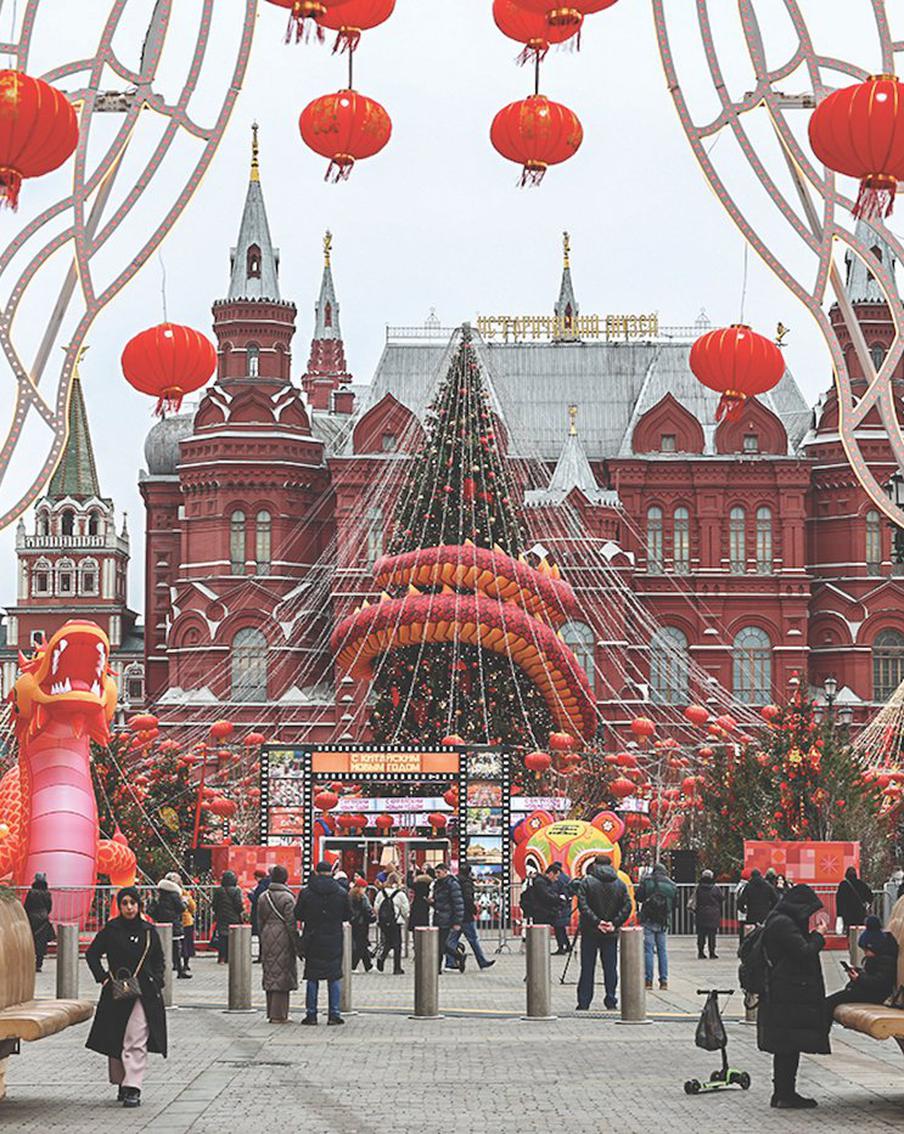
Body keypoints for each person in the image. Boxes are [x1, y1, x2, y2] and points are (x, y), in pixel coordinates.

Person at [85, 886, 167, 1109]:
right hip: (117, 992)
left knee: (136, 1038)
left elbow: (159, 959)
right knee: (117, 1036)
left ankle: (133, 1087)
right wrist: (103, 978)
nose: (129, 907)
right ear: (119, 906)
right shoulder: (111, 930)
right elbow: (92, 954)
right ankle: (122, 1081)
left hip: (144, 993)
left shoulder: (148, 931)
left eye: (133, 903)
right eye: (125, 903)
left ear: (139, 905)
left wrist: (157, 979)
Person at [757, 883, 830, 1109]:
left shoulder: (780, 920)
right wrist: (818, 936)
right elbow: (803, 952)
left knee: (787, 1045)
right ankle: (785, 1094)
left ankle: (783, 1092)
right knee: (787, 1045)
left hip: (786, 991)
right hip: (786, 993)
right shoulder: (783, 924)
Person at [295, 860, 351, 1025]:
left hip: (312, 938)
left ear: (316, 872)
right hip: (333, 938)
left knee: (312, 977)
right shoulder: (340, 892)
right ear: (331, 872)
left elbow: (298, 914)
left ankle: (311, 1014)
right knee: (334, 976)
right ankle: (334, 1014)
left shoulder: (306, 892)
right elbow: (348, 915)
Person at [576, 854, 631, 1011]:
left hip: (590, 930)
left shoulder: (587, 882)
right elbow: (627, 906)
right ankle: (611, 998)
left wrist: (597, 922)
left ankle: (584, 1001)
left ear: (595, 865)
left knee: (587, 967)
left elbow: (582, 905)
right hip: (611, 933)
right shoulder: (620, 884)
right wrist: (613, 923)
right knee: (610, 967)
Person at [825, 916, 899, 1027]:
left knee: (830, 1002)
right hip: (869, 991)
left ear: (876, 947)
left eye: (866, 950)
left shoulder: (886, 960)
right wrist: (858, 972)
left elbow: (880, 981)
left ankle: (820, 1030)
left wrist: (859, 978)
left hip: (875, 995)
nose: (865, 953)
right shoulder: (877, 958)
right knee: (829, 1002)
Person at [257, 864, 298, 1022]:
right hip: (283, 936)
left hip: (267, 933)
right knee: (283, 973)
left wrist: (263, 935)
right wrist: (296, 943)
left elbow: (260, 920)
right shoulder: (288, 898)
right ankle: (279, 1014)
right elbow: (290, 923)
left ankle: (271, 1011)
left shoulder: (263, 896)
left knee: (271, 972)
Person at [445, 864, 495, 970]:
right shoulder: (467, 883)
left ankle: (450, 962)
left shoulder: (454, 881)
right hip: (466, 916)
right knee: (473, 940)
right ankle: (481, 961)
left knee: (451, 940)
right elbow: (468, 899)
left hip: (456, 915)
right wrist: (473, 909)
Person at [635, 862, 677, 990]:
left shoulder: (647, 882)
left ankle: (648, 981)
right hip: (663, 921)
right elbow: (676, 904)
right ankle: (664, 981)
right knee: (662, 951)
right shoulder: (672, 885)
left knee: (648, 950)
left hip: (648, 919)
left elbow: (638, 897)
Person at [148, 874, 189, 979]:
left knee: (160, 948)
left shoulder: (159, 895)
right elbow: (181, 908)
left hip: (161, 924)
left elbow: (151, 910)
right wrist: (185, 902)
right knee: (176, 948)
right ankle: (179, 970)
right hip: (173, 924)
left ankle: (158, 970)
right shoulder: (174, 895)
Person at [432, 862, 465, 973]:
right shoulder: (438, 884)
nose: (437, 874)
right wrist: (432, 902)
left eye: (439, 872)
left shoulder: (452, 884)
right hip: (438, 916)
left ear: (446, 872)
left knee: (441, 944)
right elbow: (440, 900)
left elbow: (458, 903)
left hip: (447, 917)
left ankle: (438, 968)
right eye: (436, 872)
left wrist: (457, 922)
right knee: (440, 944)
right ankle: (457, 956)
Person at [374, 872, 409, 974]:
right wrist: (405, 917)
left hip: (383, 922)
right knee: (397, 944)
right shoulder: (400, 894)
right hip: (395, 922)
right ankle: (397, 967)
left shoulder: (381, 893)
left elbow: (376, 907)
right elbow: (405, 909)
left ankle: (382, 957)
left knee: (388, 941)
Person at [211, 870, 245, 964]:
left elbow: (214, 904)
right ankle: (230, 957)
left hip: (221, 916)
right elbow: (238, 905)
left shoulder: (218, 890)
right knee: (232, 937)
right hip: (233, 917)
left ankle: (221, 957)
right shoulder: (236, 891)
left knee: (222, 937)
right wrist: (241, 911)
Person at [24, 871, 54, 972]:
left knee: (31, 940)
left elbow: (27, 905)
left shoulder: (31, 893)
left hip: (32, 918)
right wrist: (45, 913)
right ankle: (39, 964)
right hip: (43, 918)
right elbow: (49, 906)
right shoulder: (47, 893)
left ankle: (29, 962)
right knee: (41, 942)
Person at [693, 869, 723, 959]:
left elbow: (695, 900)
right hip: (713, 914)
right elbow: (721, 899)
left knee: (701, 934)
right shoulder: (716, 888)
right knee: (712, 935)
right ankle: (712, 952)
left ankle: (700, 952)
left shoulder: (698, 888)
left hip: (701, 913)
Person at [349, 880, 375, 972]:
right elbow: (367, 909)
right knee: (361, 944)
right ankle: (353, 965)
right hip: (362, 923)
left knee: (362, 944)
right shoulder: (363, 897)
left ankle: (368, 965)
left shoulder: (350, 895)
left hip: (353, 923)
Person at [836, 866, 873, 930]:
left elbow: (839, 900)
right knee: (859, 929)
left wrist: (839, 913)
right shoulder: (861, 884)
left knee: (849, 930)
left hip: (847, 912)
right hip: (859, 912)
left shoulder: (843, 885)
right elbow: (870, 896)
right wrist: (867, 904)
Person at [550, 863, 574, 954]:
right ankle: (568, 946)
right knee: (561, 928)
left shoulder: (557, 879)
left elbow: (554, 890)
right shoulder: (567, 878)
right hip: (567, 905)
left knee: (558, 927)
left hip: (559, 906)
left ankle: (561, 947)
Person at [248, 868, 271, 963]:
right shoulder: (267, 885)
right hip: (266, 913)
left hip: (258, 913)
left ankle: (262, 956)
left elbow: (256, 900)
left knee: (261, 936)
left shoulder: (261, 886)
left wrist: (250, 894)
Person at [409, 864, 433, 936]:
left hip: (417, 907)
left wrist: (410, 872)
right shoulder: (430, 883)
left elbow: (409, 883)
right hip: (426, 907)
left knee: (416, 927)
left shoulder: (418, 884)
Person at [180, 883, 196, 974]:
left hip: (171, 921)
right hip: (186, 921)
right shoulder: (184, 893)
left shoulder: (164, 893)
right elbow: (192, 906)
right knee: (187, 944)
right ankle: (186, 964)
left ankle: (175, 963)